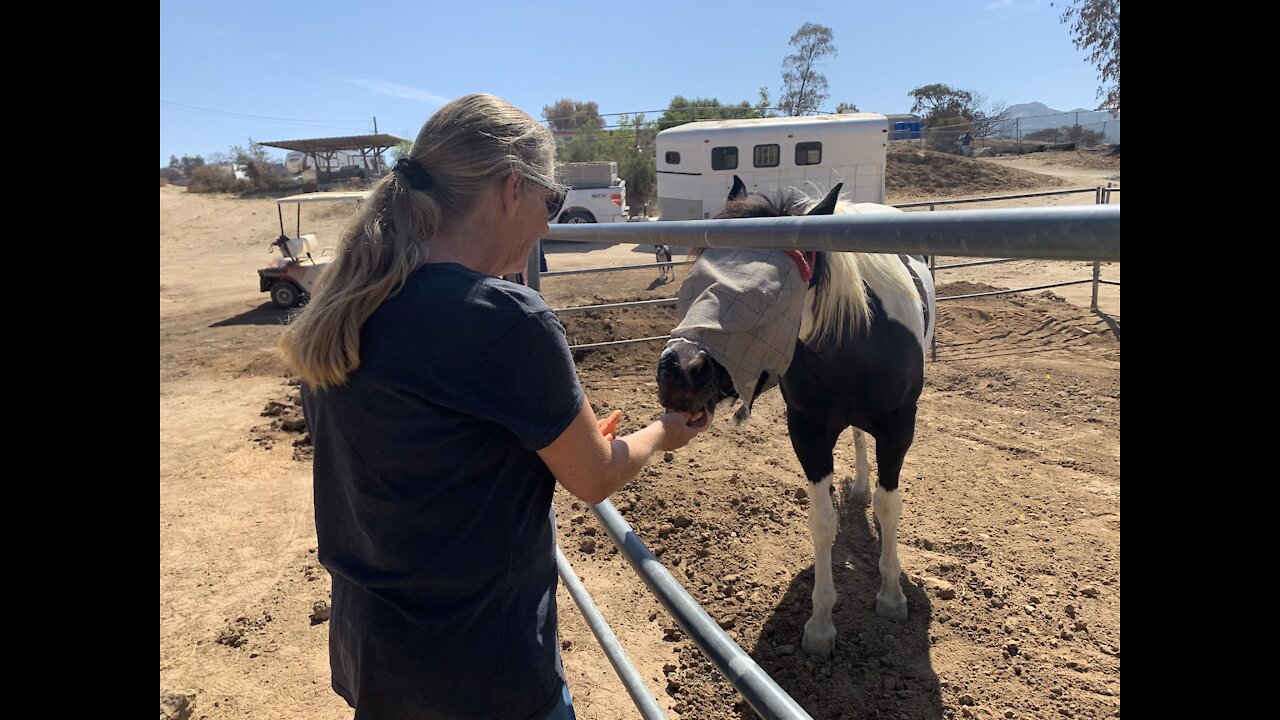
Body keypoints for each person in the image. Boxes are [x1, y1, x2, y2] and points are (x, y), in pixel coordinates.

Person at [279, 93, 709, 720]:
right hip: (486, 672)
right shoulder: (507, 321)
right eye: (551, 201)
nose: (548, 221)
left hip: (373, 652)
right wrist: (662, 432)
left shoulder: (345, 306)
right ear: (512, 189)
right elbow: (594, 477)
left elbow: (418, 459)